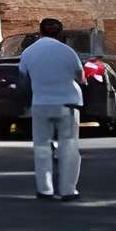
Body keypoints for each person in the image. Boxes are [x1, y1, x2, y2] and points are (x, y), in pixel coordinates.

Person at [22, 17, 87, 202]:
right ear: (60, 33)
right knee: (69, 146)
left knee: (42, 147)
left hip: (41, 103)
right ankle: (68, 190)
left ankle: (45, 190)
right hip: (67, 103)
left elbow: (23, 77)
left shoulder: (29, 52)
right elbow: (80, 76)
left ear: (40, 32)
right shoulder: (68, 52)